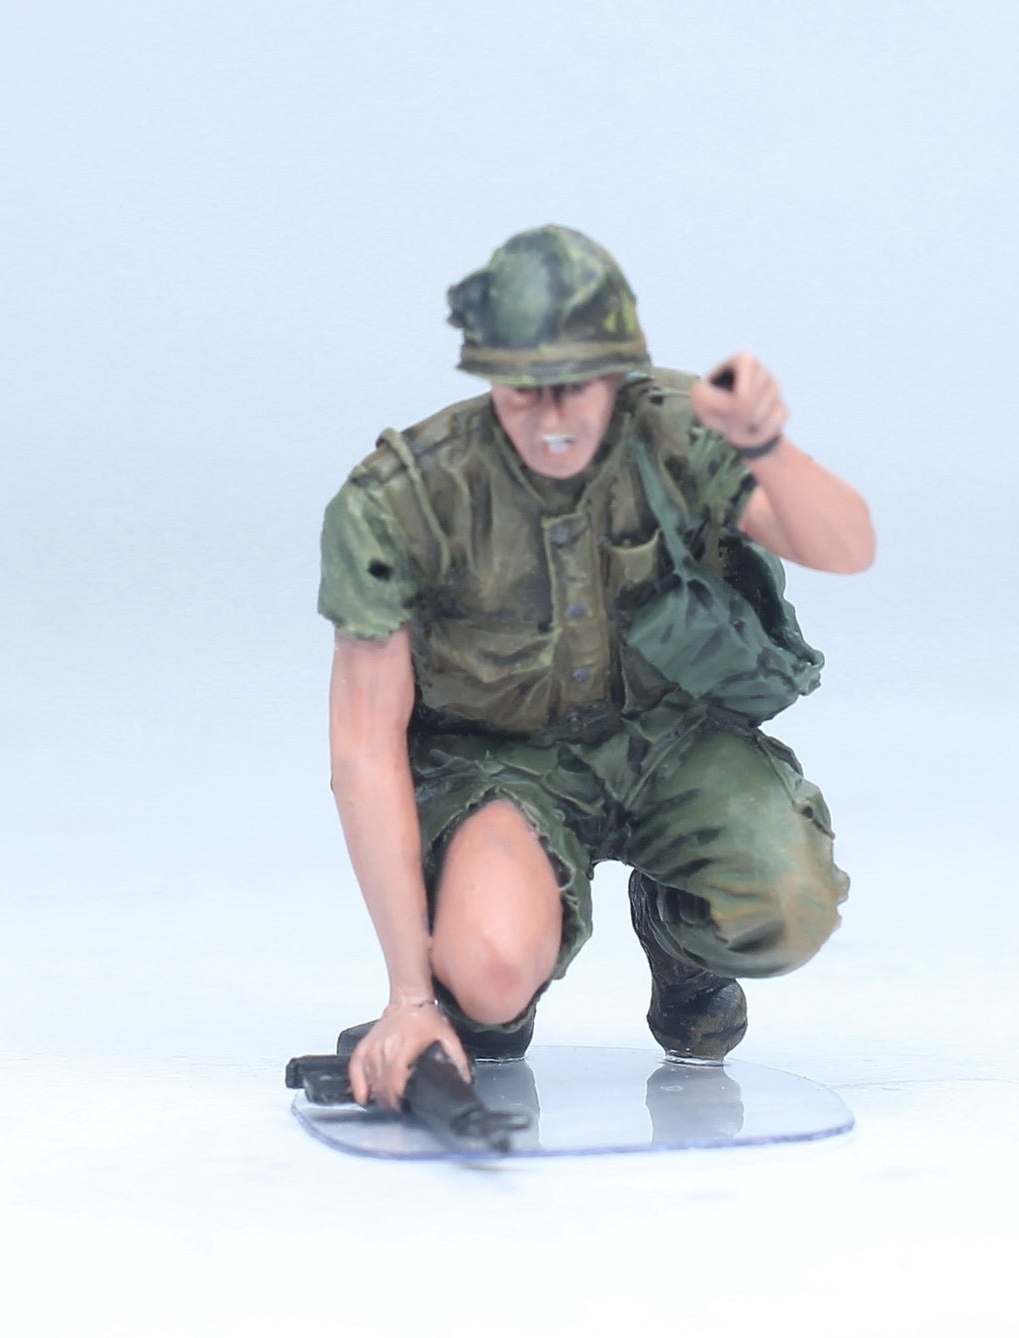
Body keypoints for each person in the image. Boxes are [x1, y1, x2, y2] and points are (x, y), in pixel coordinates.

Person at [318, 225, 874, 1109]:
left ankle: (680, 946)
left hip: (671, 744)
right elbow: (363, 748)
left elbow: (848, 548)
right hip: (500, 766)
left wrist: (767, 446)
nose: (551, 419)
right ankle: (482, 1005)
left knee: (789, 908)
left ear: (618, 372)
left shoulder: (678, 430)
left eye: (576, 387)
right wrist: (410, 999)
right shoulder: (405, 499)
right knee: (488, 973)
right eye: (522, 390)